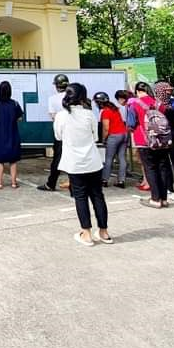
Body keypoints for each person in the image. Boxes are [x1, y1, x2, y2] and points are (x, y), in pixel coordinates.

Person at [54, 83, 112, 246]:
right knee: (97, 195)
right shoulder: (89, 114)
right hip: (92, 161)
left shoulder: (61, 116)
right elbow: (95, 137)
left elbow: (58, 136)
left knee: (80, 197)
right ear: (83, 97)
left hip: (74, 163)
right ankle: (104, 232)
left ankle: (86, 234)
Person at [126, 81, 174, 209]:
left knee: (151, 169)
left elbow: (131, 124)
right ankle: (164, 199)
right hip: (162, 141)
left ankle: (155, 199)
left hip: (144, 142)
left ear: (137, 91)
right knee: (163, 168)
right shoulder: (159, 103)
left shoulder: (134, 104)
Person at [0, 81, 24, 189]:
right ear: (10, 91)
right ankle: (13, 183)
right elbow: (20, 117)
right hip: (13, 135)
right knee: (13, 161)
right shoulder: (15, 104)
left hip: (0, 136)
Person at [38, 73, 69, 192]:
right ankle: (74, 182)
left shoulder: (53, 99)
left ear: (56, 86)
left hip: (60, 132)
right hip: (74, 131)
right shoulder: (73, 97)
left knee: (57, 158)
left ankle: (51, 184)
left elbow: (53, 116)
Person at [95, 91, 129, 188]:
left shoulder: (105, 111)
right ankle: (121, 181)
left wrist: (103, 139)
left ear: (99, 102)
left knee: (109, 158)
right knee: (122, 158)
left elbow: (106, 128)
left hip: (114, 136)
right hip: (124, 134)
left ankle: (104, 180)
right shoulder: (114, 108)